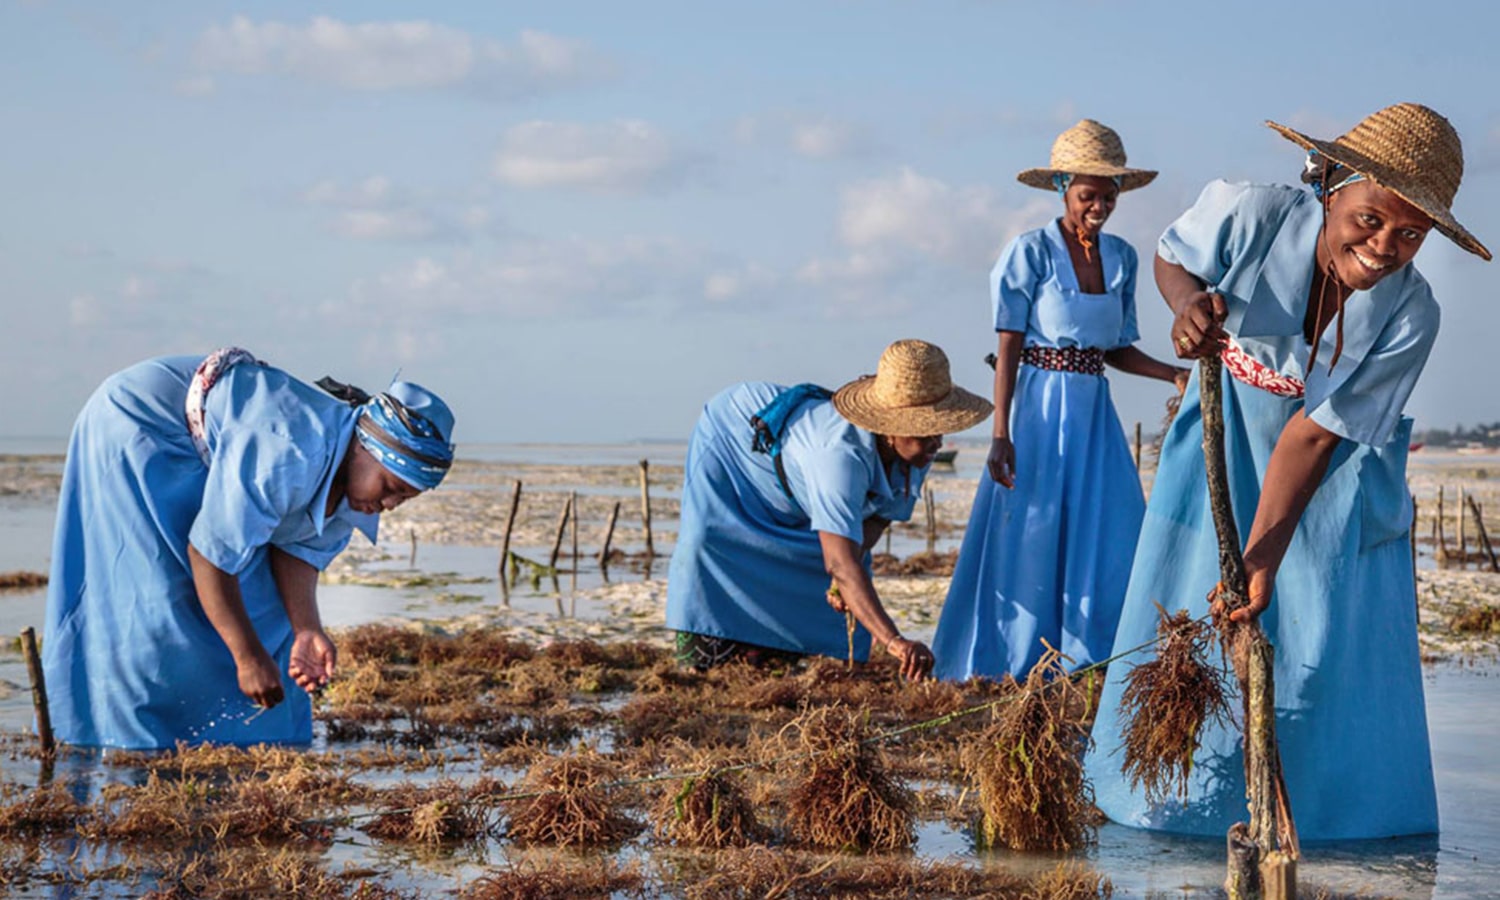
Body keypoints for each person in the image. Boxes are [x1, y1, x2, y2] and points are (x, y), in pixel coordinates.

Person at [1086, 103, 1490, 840]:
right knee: (1193, 606)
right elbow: (1174, 255)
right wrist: (1185, 309)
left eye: (1409, 235)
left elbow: (1315, 436)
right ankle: (1170, 806)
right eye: (1369, 219)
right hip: (1224, 431)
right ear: (1330, 186)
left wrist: (1264, 552)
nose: (1383, 247)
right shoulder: (1252, 214)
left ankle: (1343, 820)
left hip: (1332, 477)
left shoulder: (1414, 314)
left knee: (1328, 630)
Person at [43, 348, 456, 750]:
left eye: (403, 499)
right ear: (364, 447)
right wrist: (248, 657)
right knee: (160, 600)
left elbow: (297, 551)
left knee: (262, 608)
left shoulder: (354, 486)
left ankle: (236, 742)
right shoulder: (288, 452)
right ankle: (126, 741)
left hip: (212, 447)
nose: (387, 506)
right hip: (140, 425)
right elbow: (209, 556)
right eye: (390, 489)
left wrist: (307, 630)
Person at [933, 120, 1188, 682]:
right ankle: (1015, 659)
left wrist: (1173, 375)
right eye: (1087, 195)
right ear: (1062, 190)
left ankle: (1092, 654)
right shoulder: (1029, 254)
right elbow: (1009, 346)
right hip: (1037, 409)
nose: (1098, 206)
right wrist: (1001, 435)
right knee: (1029, 529)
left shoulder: (1122, 257)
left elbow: (1118, 349)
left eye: (1108, 196)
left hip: (1094, 411)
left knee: (1108, 525)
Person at [666, 339, 992, 681]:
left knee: (835, 562)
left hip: (792, 476)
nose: (936, 441)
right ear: (890, 429)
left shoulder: (919, 452)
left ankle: (780, 650)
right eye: (924, 430)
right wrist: (894, 641)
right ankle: (705, 657)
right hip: (731, 439)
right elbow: (839, 562)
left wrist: (839, 585)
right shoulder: (838, 459)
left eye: (938, 429)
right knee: (710, 542)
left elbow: (875, 521)